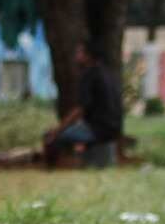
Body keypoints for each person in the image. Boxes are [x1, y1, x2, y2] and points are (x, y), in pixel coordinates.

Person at [43, 38, 124, 166]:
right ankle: (88, 160)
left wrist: (57, 130)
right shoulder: (107, 73)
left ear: (88, 56)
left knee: (51, 137)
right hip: (115, 128)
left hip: (98, 129)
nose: (76, 56)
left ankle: (53, 169)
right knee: (79, 131)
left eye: (80, 52)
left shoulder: (89, 75)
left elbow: (80, 110)